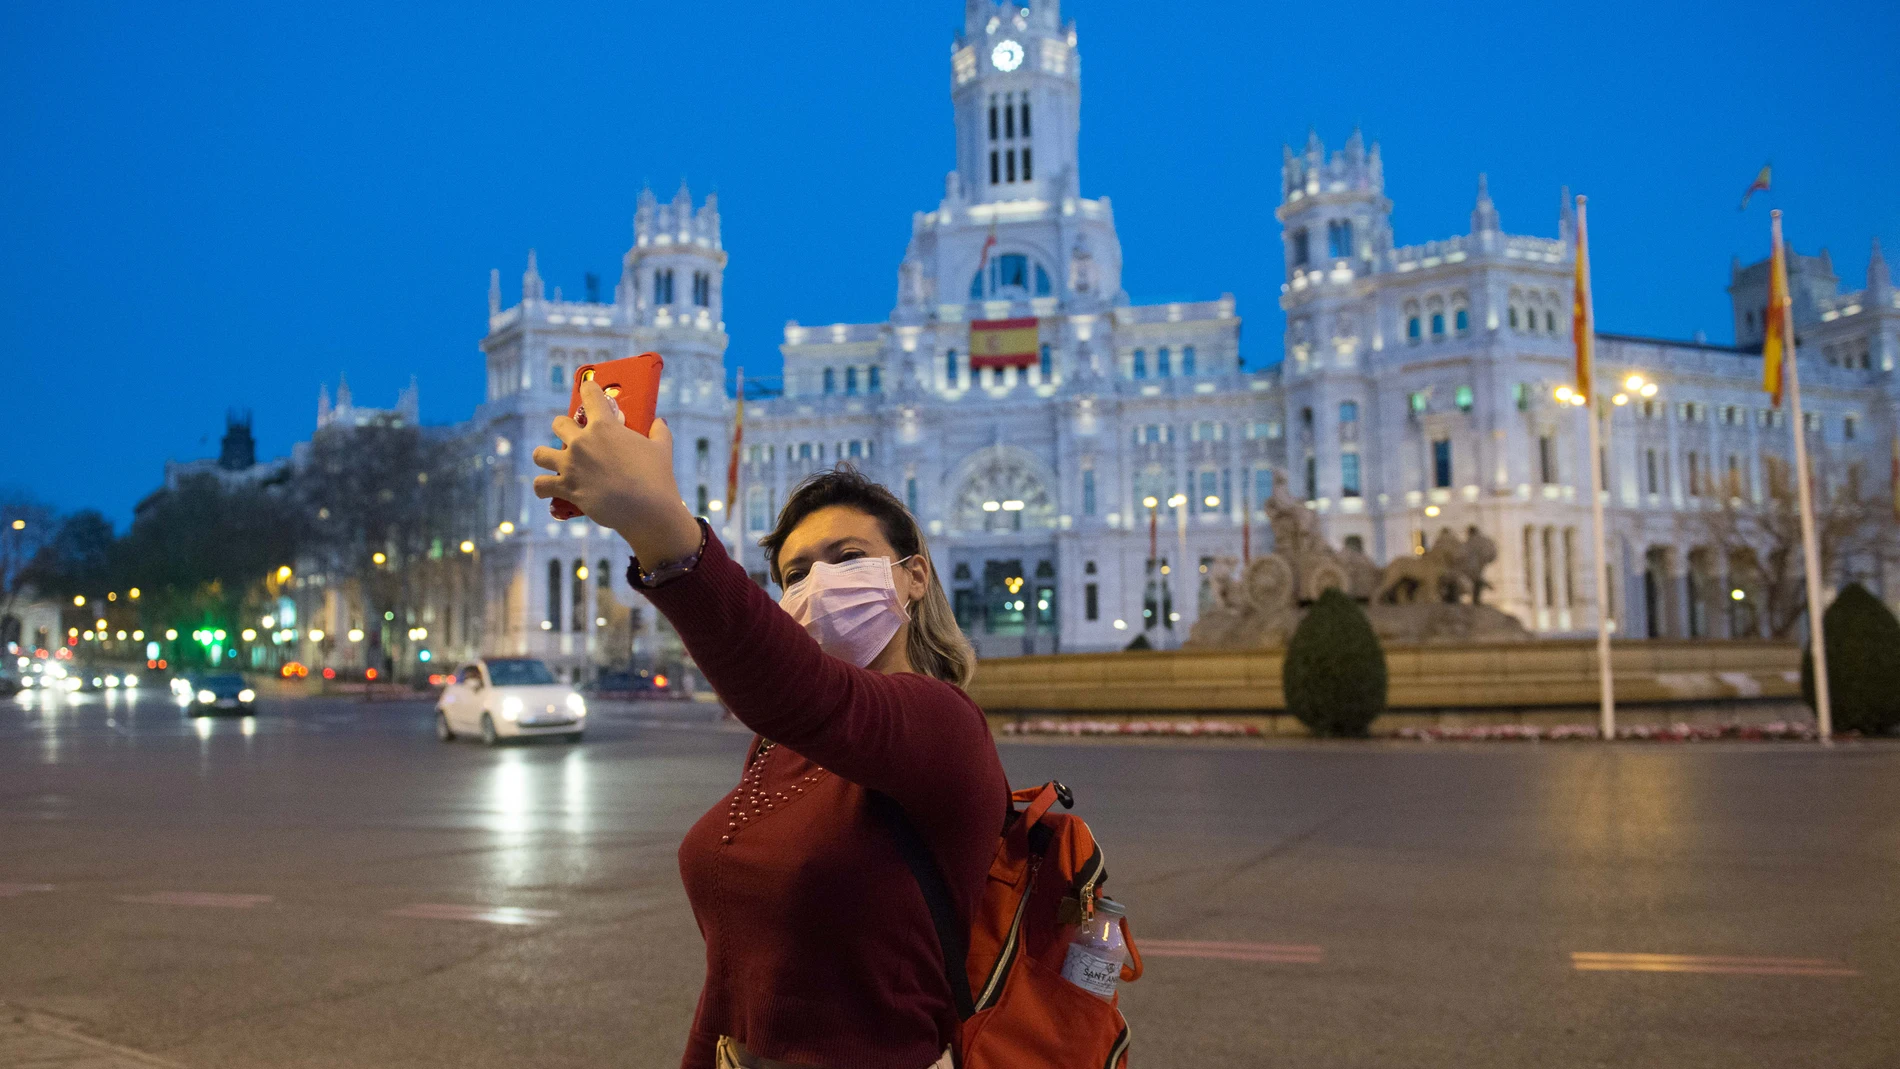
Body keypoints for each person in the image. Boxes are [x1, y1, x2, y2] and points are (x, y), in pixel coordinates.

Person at [533, 382, 1006, 1069]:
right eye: (796, 572)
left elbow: (802, 694)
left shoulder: (942, 725)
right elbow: (733, 986)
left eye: (846, 558)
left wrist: (665, 531)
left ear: (915, 576)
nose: (820, 583)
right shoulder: (778, 744)